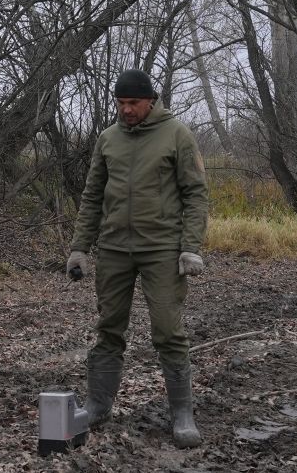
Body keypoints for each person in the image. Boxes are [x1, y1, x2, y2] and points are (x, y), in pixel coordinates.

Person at [67, 69, 208, 448]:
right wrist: (80, 247)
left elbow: (196, 194)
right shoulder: (107, 139)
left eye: (133, 103)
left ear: (150, 101)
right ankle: (98, 404)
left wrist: (190, 246)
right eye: (120, 103)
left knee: (167, 329)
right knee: (109, 327)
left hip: (161, 248)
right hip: (114, 249)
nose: (126, 110)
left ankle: (182, 414)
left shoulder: (176, 134)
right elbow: (92, 196)